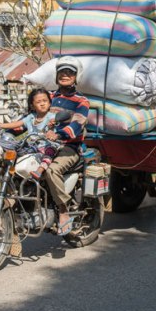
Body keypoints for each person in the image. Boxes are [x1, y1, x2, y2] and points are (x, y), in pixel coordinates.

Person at [42, 56, 89, 236]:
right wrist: (9, 129)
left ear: (76, 77)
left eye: (70, 72)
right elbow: (32, 117)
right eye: (62, 72)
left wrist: (59, 133)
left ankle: (63, 210)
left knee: (51, 170)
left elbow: (77, 125)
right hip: (44, 145)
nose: (65, 75)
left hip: (69, 147)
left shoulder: (81, 101)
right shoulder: (48, 97)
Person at [0, 88, 59, 179]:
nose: (42, 103)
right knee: (16, 148)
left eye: (45, 101)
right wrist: (2, 125)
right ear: (32, 106)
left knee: (49, 152)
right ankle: (3, 169)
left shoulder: (52, 117)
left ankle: (39, 171)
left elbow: (56, 124)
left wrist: (52, 126)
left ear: (49, 103)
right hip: (33, 146)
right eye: (38, 102)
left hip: (48, 145)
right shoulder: (31, 117)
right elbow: (17, 124)